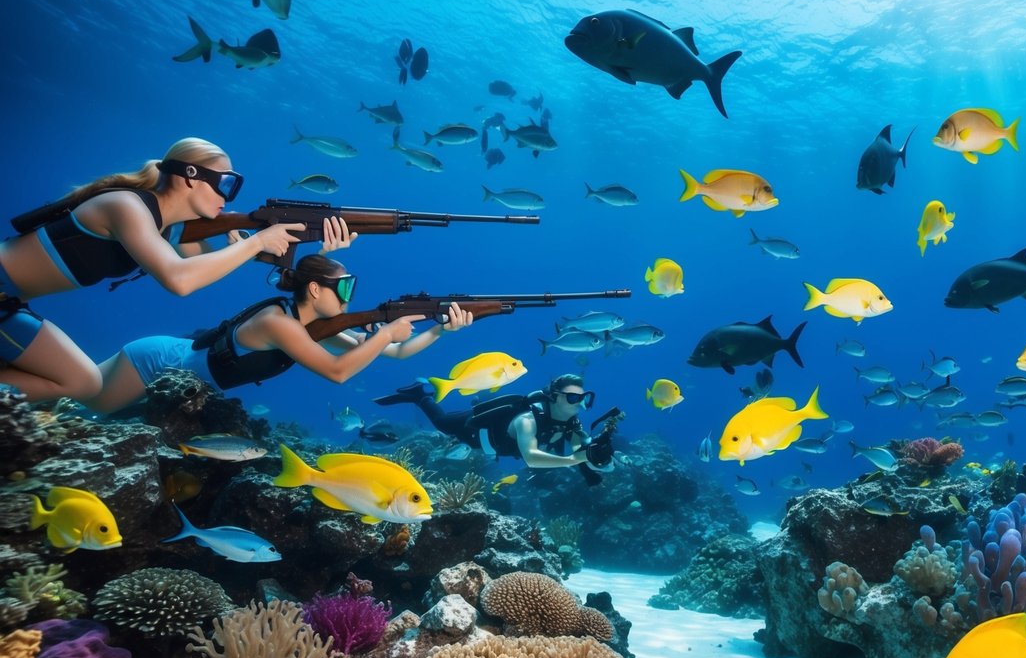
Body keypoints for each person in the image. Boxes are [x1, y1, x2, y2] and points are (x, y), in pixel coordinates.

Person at [0, 137, 309, 401]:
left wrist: (306, 245)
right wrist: (254, 244)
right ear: (190, 176)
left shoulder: (167, 230)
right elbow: (180, 280)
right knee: (83, 383)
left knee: (85, 383)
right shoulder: (126, 206)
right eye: (226, 183)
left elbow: (203, 265)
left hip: (10, 304)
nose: (227, 198)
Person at [81, 219, 473, 413]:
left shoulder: (311, 326)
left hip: (183, 377)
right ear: (316, 289)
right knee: (83, 401)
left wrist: (440, 329)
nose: (351, 298)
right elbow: (339, 372)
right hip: (156, 363)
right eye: (346, 288)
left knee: (82, 398)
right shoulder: (278, 323)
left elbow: (396, 354)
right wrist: (385, 334)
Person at [375, 372, 615, 474]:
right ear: (554, 396)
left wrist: (598, 456)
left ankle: (419, 394)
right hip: (473, 431)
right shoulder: (527, 420)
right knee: (441, 422)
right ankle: (420, 394)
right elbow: (531, 457)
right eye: (573, 397)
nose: (578, 403)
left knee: (441, 423)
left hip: (490, 446)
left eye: (584, 398)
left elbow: (581, 451)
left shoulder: (572, 423)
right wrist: (572, 460)